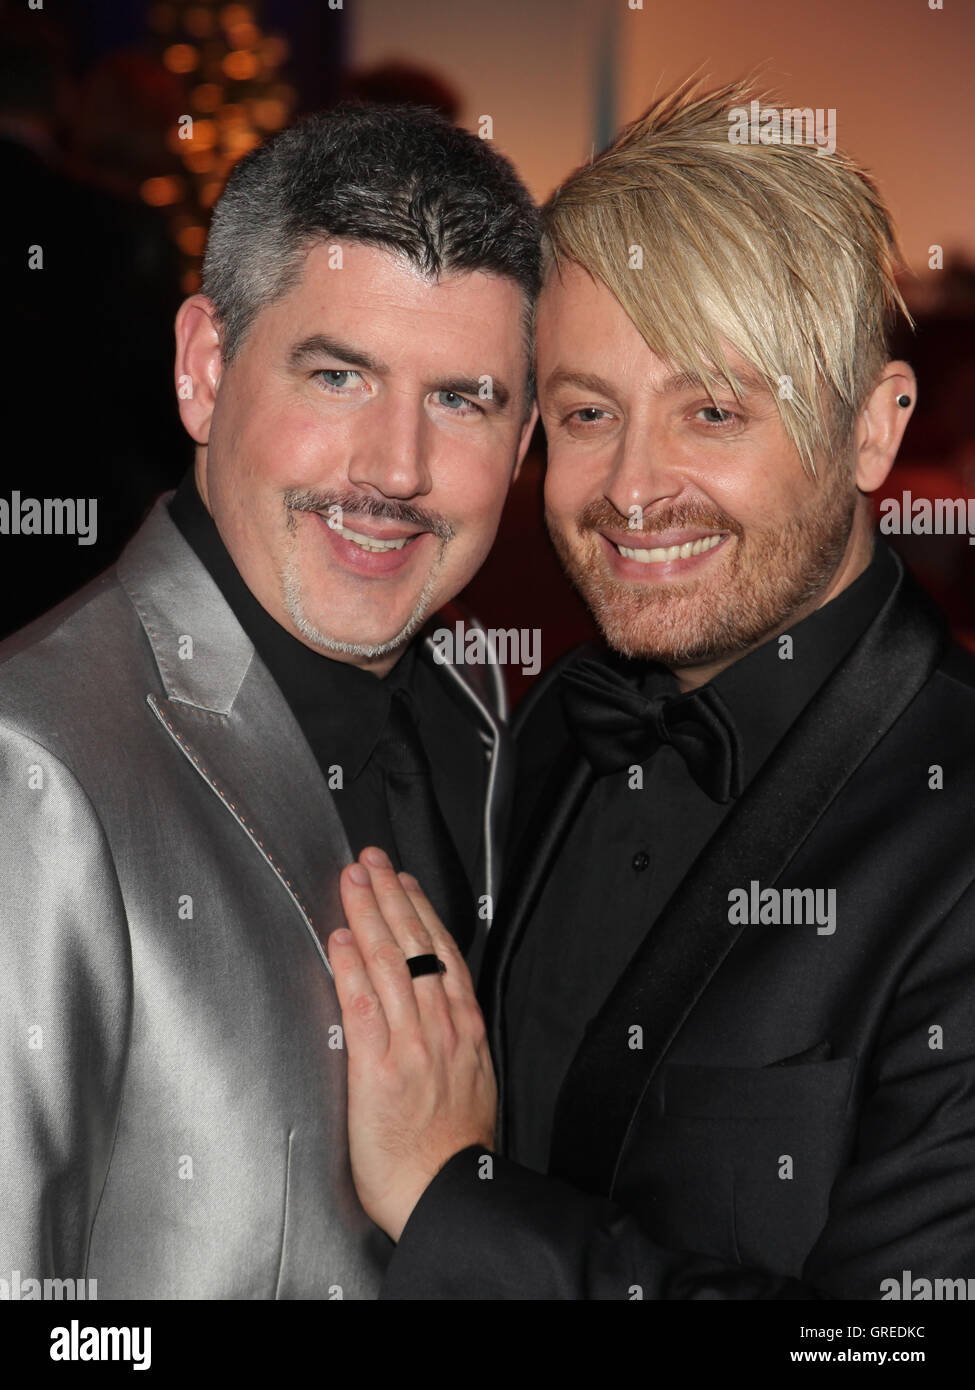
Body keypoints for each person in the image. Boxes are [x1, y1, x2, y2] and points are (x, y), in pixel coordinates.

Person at [329, 82, 975, 1299]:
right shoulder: (552, 728)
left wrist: (451, 1200)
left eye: (713, 410)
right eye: (587, 412)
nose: (631, 489)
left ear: (874, 432)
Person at [0, 103, 539, 1299]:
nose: (396, 469)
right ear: (204, 369)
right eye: (338, 374)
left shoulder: (493, 709)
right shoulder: (30, 763)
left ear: (526, 434)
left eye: (464, 399)